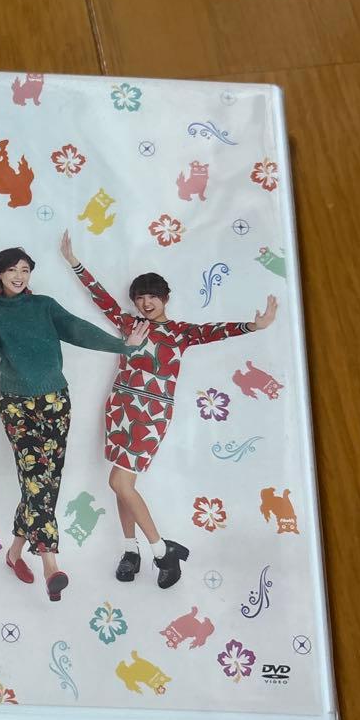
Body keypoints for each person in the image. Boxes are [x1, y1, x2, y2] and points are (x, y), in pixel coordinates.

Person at [60, 229, 278, 587]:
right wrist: (74, 262)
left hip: (152, 415)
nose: (146, 303)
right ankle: (130, 551)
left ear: (165, 299)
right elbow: (102, 299)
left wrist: (253, 325)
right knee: (122, 485)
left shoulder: (180, 332)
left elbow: (216, 330)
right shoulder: (130, 324)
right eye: (140, 297)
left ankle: (162, 551)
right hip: (120, 408)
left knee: (119, 481)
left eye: (153, 297)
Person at [0, 246, 148, 601]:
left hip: (55, 402)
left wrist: (123, 346)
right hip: (16, 406)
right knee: (37, 482)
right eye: (12, 270)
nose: (19, 276)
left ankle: (14, 552)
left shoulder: (44, 306)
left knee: (45, 482)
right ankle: (51, 565)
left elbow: (78, 330)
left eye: (25, 270)